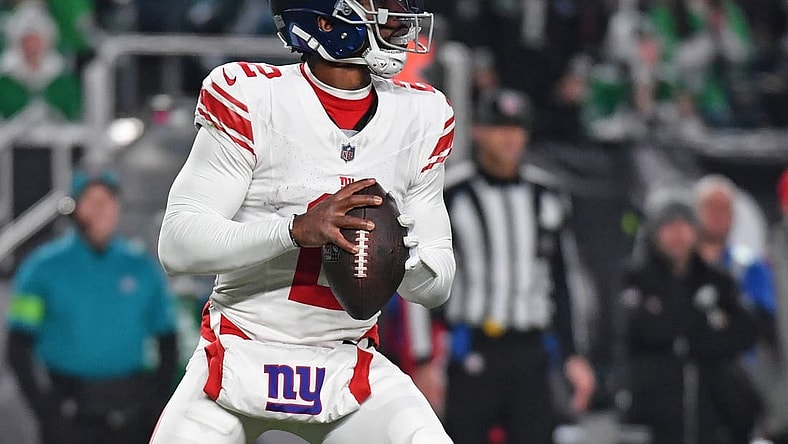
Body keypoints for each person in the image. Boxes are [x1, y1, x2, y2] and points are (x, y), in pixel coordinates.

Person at [149, 1, 456, 443]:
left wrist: (398, 257)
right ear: (325, 19)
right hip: (240, 351)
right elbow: (178, 245)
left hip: (347, 363)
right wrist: (294, 230)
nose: (396, 13)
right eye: (378, 3)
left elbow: (436, 286)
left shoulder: (421, 116)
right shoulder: (253, 97)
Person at [416, 87, 595, 444]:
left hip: (531, 350)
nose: (511, 138)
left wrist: (573, 354)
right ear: (478, 131)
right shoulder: (453, 194)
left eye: (518, 128)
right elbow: (422, 278)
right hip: (474, 345)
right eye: (500, 128)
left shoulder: (546, 196)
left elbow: (563, 280)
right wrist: (425, 359)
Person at [5, 168, 178, 444]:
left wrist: (154, 405)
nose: (100, 209)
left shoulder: (141, 267)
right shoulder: (43, 268)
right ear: (75, 208)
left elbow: (168, 340)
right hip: (71, 414)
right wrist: (46, 412)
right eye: (91, 200)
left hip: (132, 416)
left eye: (107, 200)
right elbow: (19, 344)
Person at [615, 190, 760, 444]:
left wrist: (690, 339)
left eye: (684, 225)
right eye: (668, 226)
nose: (677, 234)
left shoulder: (716, 279)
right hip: (653, 414)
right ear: (654, 232)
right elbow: (641, 329)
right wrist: (704, 322)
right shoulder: (635, 277)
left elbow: (745, 330)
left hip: (713, 412)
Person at [0, 0, 82, 120]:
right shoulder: (6, 82)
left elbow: (71, 114)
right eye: (27, 41)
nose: (31, 46)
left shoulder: (62, 80)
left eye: (36, 40)